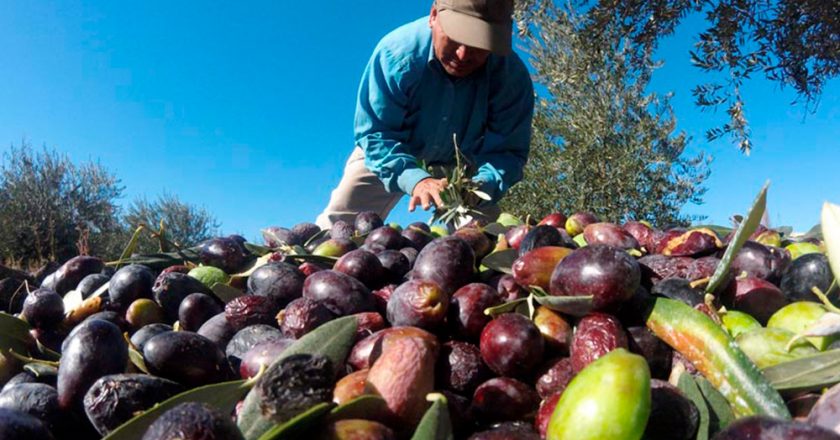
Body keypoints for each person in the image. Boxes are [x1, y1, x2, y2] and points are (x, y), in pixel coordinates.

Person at [315, 0, 534, 229]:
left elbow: (507, 152)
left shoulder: (511, 79)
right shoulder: (396, 55)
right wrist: (415, 179)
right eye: (456, 37)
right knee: (336, 230)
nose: (462, 54)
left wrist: (481, 186)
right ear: (433, 16)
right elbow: (376, 134)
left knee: (482, 239)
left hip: (466, 165)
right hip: (390, 153)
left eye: (479, 45)